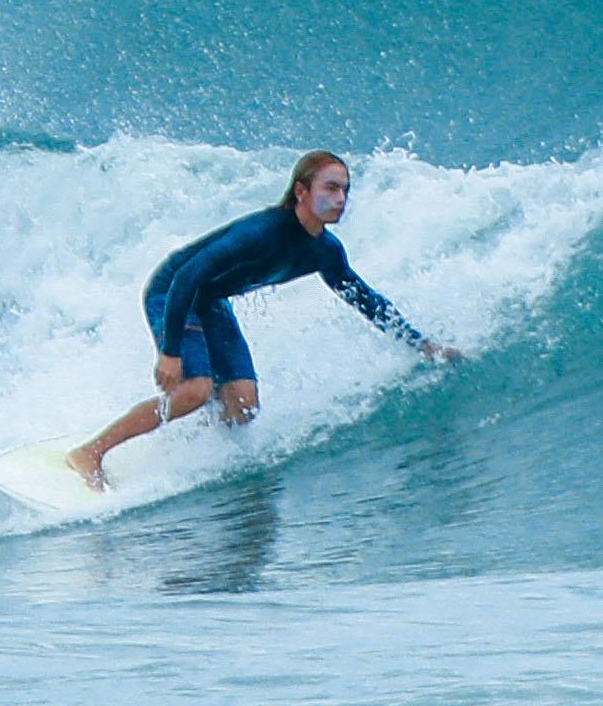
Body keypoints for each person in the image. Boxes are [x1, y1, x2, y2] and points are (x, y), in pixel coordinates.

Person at [63, 150, 456, 486]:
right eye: (330, 188)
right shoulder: (262, 232)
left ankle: (184, 444)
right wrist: (169, 352)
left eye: (345, 190)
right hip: (174, 292)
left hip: (211, 300)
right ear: (301, 191)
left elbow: (366, 300)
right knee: (195, 390)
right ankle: (90, 454)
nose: (340, 199)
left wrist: (422, 344)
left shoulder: (325, 251)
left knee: (243, 406)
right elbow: (186, 276)